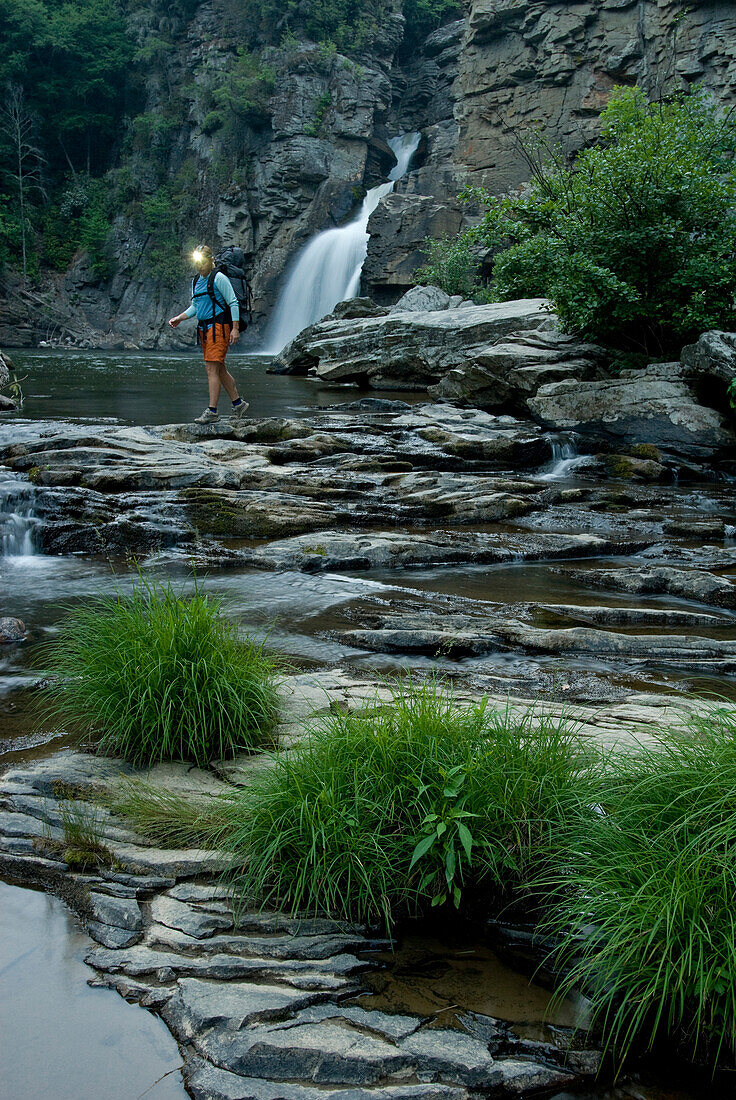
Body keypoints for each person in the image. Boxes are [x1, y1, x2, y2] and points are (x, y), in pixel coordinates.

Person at [168, 244, 249, 424]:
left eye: (203, 263)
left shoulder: (219, 278)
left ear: (211, 260)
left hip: (219, 327)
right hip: (204, 330)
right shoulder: (196, 280)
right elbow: (196, 306)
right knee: (219, 369)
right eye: (197, 264)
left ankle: (212, 411)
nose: (199, 267)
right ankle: (238, 404)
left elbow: (233, 302)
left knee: (211, 368)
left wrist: (235, 329)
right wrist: (180, 318)